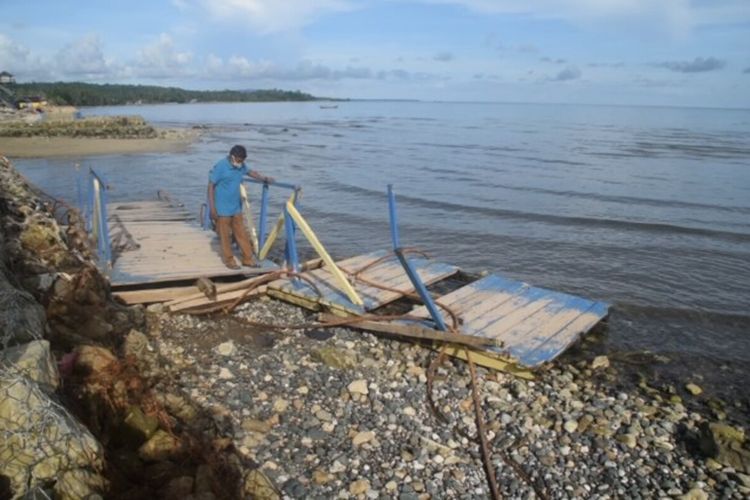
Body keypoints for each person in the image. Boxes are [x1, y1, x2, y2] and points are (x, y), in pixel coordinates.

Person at [208, 145, 273, 269]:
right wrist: (212, 208)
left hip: (236, 207)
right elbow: (211, 186)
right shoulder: (221, 166)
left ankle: (248, 259)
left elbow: (250, 172)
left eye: (242, 160)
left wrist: (264, 178)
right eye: (239, 160)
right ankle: (229, 260)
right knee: (225, 236)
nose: (241, 162)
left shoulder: (241, 166)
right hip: (222, 208)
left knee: (242, 233)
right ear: (232, 157)